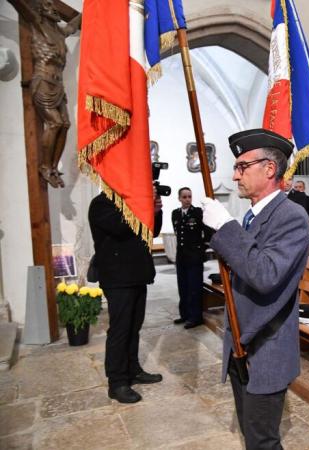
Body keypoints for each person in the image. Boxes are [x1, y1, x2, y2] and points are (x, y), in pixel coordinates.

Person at [200, 128, 309, 450]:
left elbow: (265, 274)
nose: (234, 176)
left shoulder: (291, 216)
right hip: (241, 341)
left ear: (269, 169)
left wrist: (225, 226)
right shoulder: (251, 216)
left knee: (263, 441)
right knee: (252, 434)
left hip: (266, 345)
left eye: (242, 166)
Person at [88, 189, 164, 404]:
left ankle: (133, 370)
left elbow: (153, 231)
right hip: (117, 277)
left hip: (137, 274)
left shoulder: (132, 201)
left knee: (134, 327)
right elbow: (122, 228)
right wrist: (144, 203)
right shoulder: (102, 204)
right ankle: (117, 382)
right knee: (120, 330)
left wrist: (156, 211)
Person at [8, 0, 81, 188]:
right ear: (41, 9)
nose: (54, 10)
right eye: (49, 6)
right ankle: (45, 166)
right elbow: (20, 4)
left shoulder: (60, 33)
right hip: (43, 82)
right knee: (55, 122)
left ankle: (53, 167)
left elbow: (74, 24)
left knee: (65, 124)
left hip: (58, 85)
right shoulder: (37, 24)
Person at [172, 187, 211, 329]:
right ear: (179, 198)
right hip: (181, 257)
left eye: (189, 196)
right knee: (183, 287)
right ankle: (185, 315)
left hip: (194, 257)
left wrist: (201, 249)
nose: (187, 199)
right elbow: (178, 233)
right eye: (184, 197)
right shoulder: (175, 214)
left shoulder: (198, 213)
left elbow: (208, 232)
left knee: (194, 287)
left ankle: (196, 317)